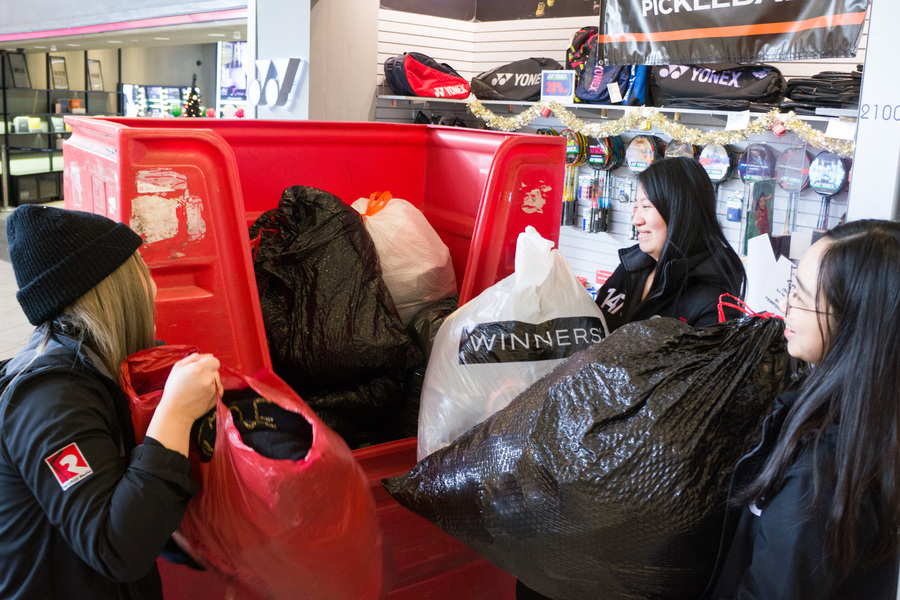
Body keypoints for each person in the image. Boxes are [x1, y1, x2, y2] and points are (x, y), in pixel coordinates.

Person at [518, 156, 747, 600]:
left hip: (640, 476)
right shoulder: (636, 266)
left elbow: (697, 403)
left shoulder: (713, 294)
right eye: (634, 204)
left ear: (677, 208)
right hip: (585, 449)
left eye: (646, 206)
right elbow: (590, 332)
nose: (635, 218)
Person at [0, 205, 221, 600]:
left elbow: (110, 492)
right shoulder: (50, 402)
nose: (152, 285)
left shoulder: (93, 370)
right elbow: (116, 547)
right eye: (142, 268)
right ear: (114, 287)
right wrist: (175, 412)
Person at [704, 219, 900, 598]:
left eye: (801, 296)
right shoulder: (870, 424)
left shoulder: (824, 467)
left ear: (856, 323)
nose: (784, 304)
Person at [594, 156, 746, 331]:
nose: (636, 220)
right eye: (636, 207)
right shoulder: (631, 265)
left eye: (647, 206)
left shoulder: (713, 303)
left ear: (680, 213)